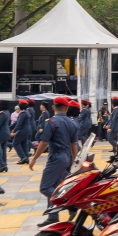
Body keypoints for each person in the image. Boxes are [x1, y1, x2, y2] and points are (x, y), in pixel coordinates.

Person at [30, 96, 79, 226]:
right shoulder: (72, 123)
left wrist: (34, 159)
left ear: (53, 107)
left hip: (56, 157)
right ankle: (52, 215)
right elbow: (74, 145)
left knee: (45, 187)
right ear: (67, 108)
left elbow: (43, 142)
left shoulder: (51, 122)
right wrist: (75, 162)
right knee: (56, 187)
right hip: (67, 157)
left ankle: (69, 204)